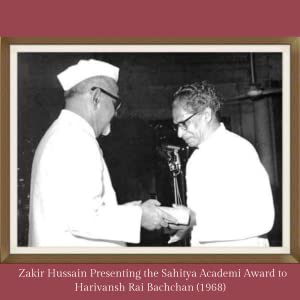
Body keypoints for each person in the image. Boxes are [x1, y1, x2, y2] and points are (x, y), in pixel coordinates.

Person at [28, 59, 176, 247]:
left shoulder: (62, 133)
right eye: (116, 103)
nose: (115, 113)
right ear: (97, 96)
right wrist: (139, 216)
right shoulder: (76, 139)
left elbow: (81, 209)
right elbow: (82, 219)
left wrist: (136, 210)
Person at [170, 81, 275, 247]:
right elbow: (202, 218)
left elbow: (263, 219)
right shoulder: (194, 161)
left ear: (206, 115)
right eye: (176, 126)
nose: (179, 132)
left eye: (184, 123)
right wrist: (185, 226)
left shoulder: (239, 151)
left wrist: (194, 220)